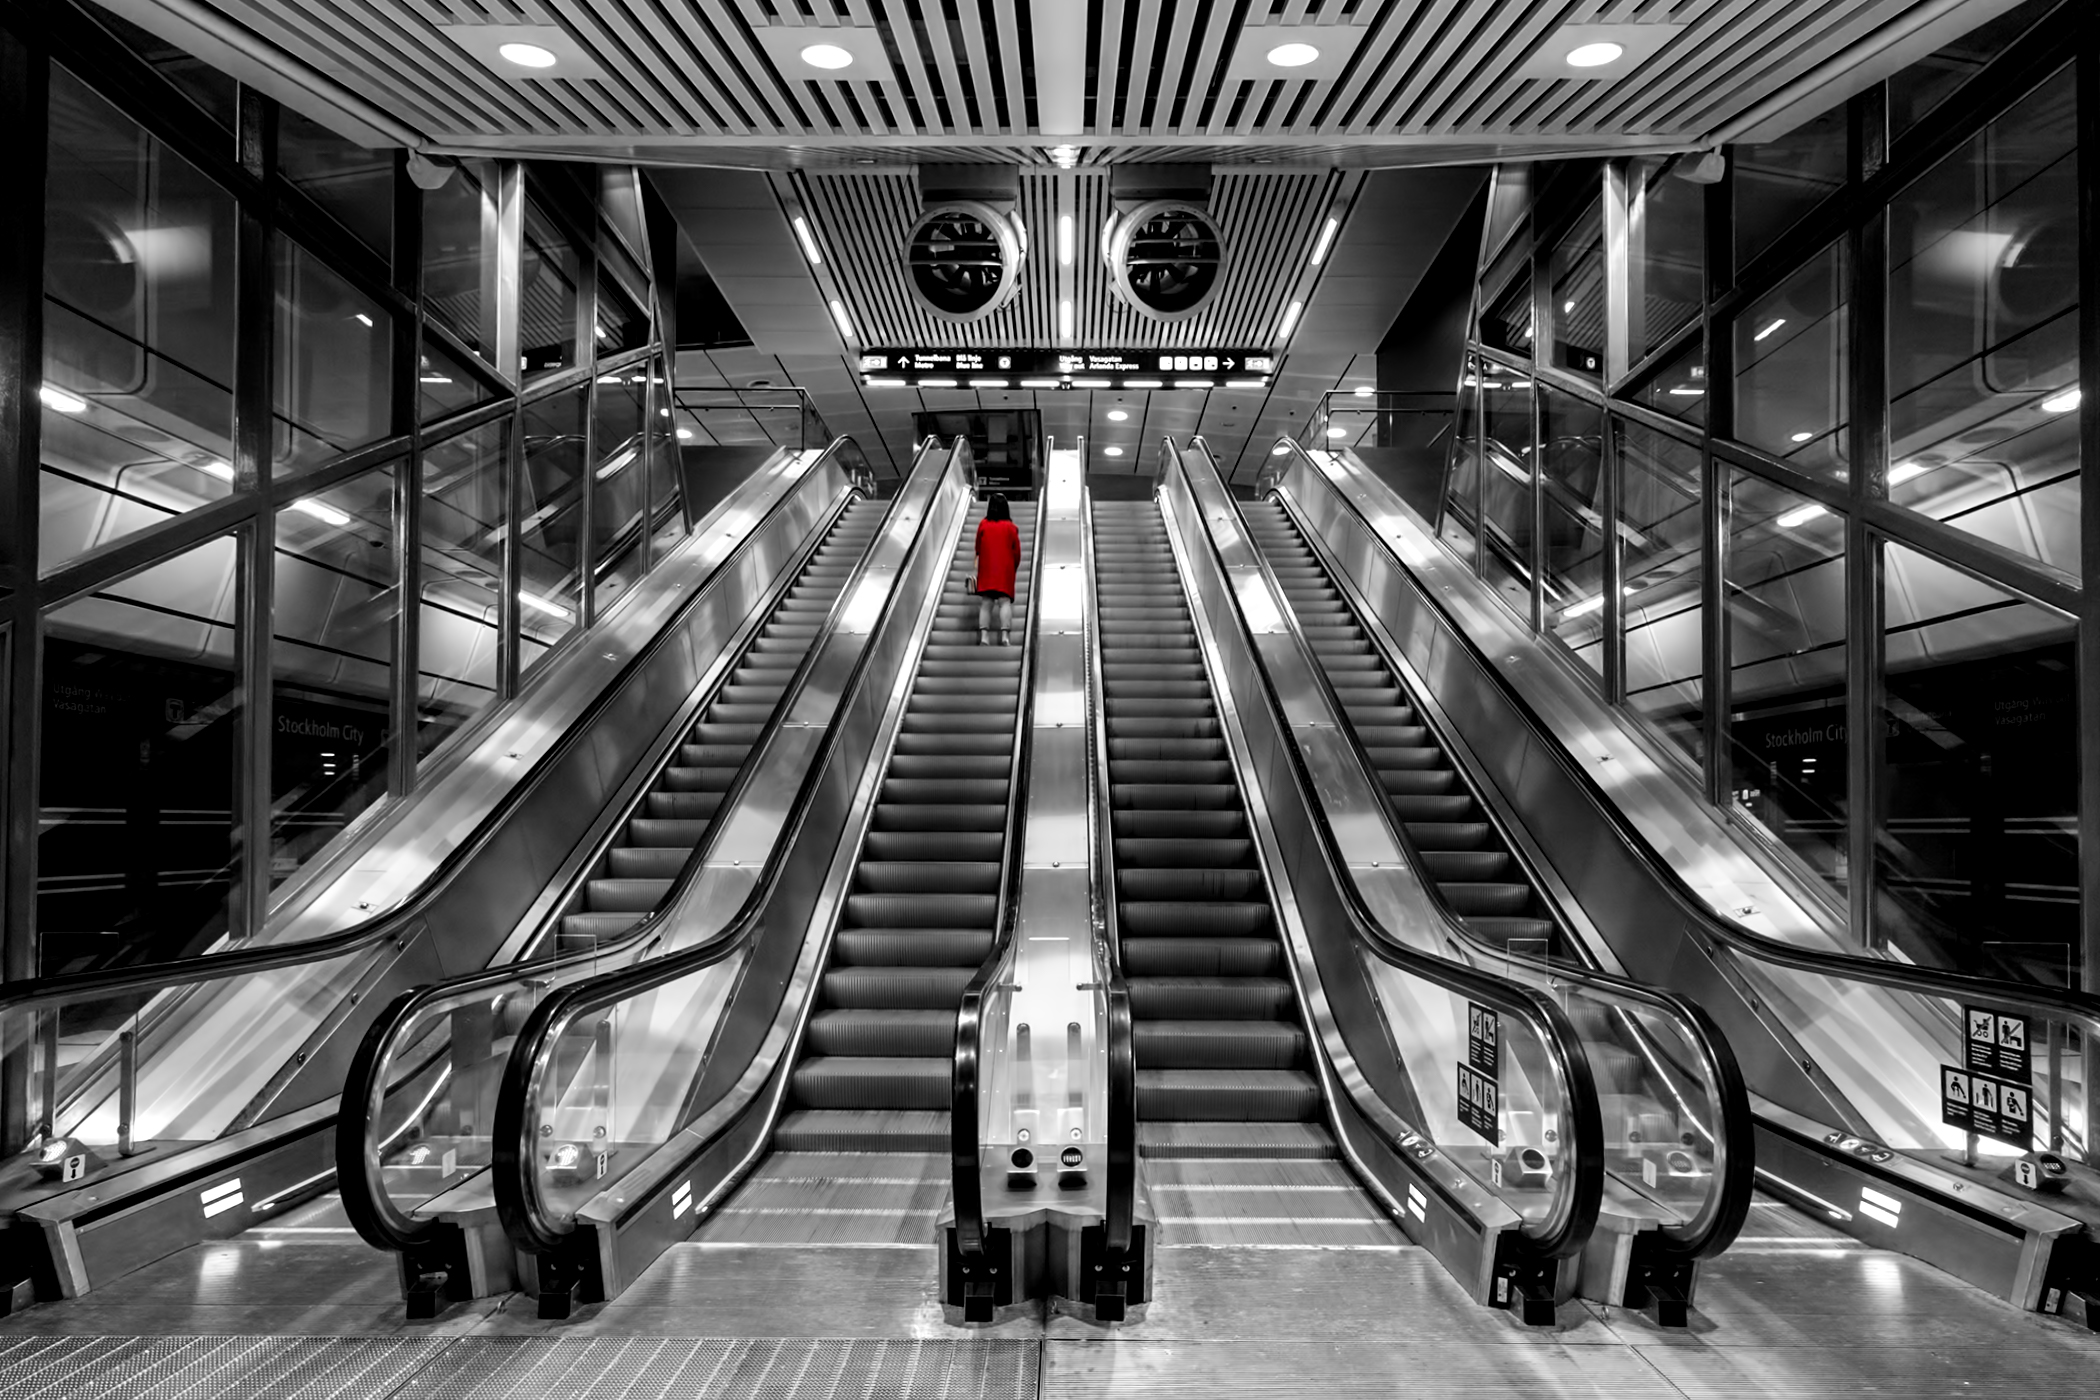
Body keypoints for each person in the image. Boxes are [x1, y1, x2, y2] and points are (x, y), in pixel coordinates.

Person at [974, 494, 1020, 646]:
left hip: (987, 569)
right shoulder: (1011, 528)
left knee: (986, 603)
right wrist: (1013, 568)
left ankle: (984, 637)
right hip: (1004, 570)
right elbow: (1017, 553)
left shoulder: (983, 524)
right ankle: (1005, 635)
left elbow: (978, 548)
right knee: (1004, 602)